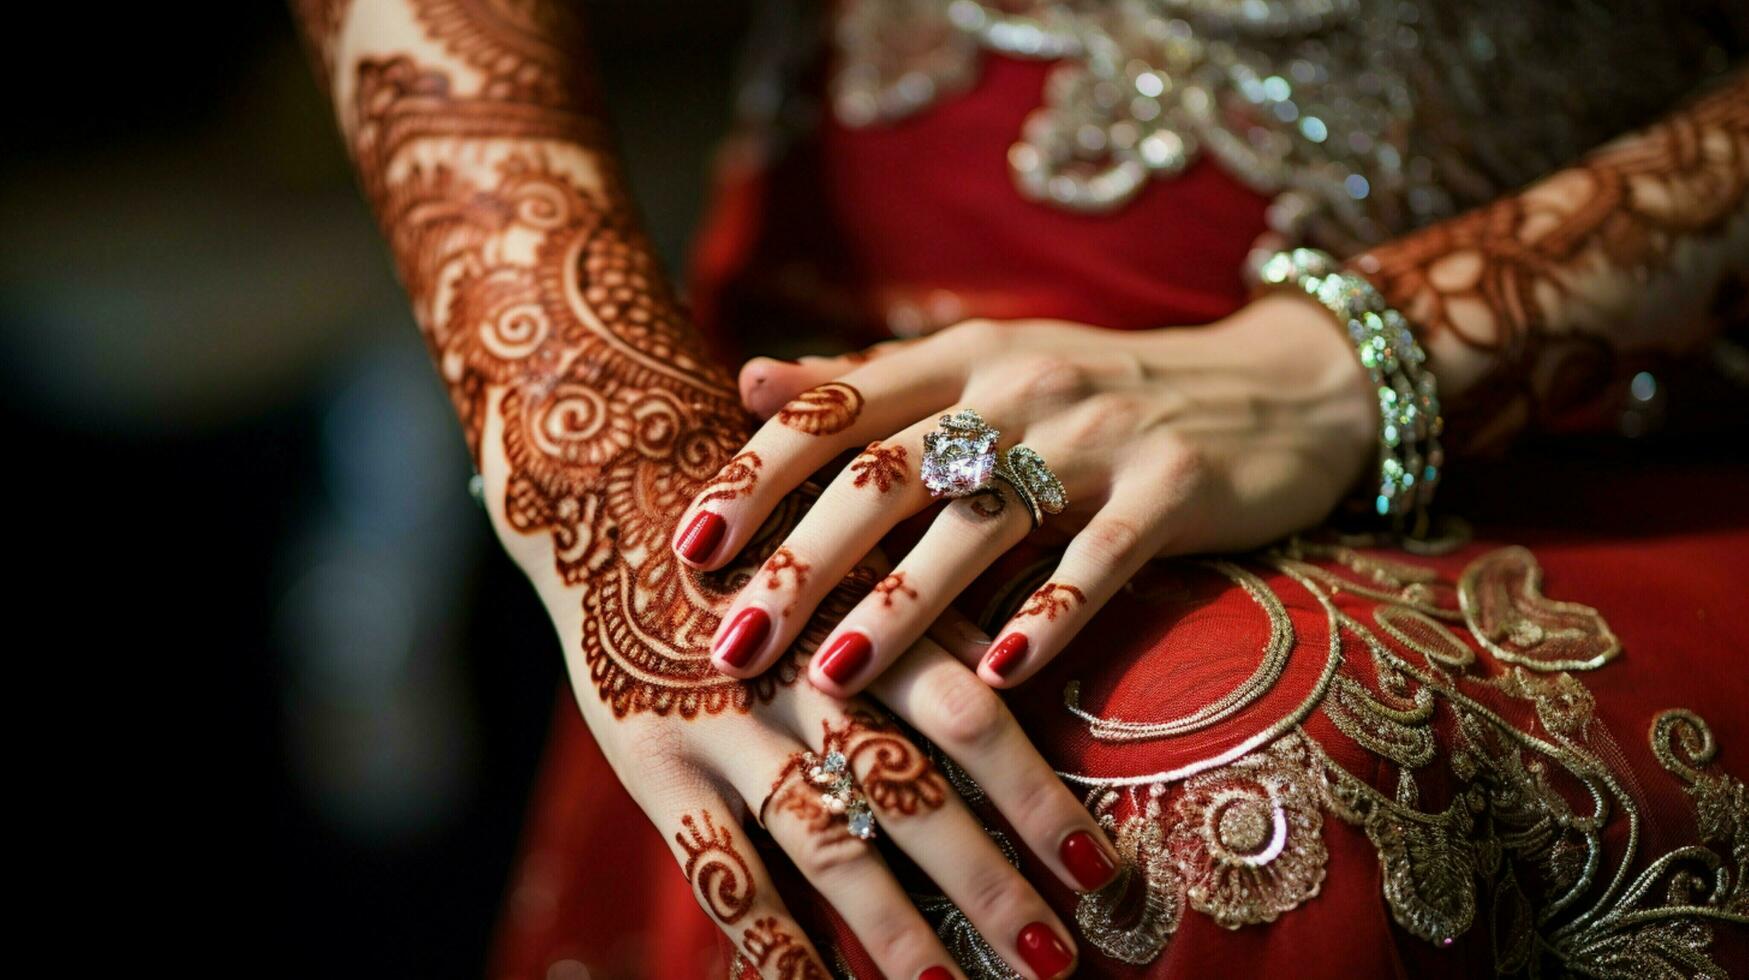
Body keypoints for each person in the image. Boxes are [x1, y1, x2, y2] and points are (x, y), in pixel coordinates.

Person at [293, 1, 1749, 977]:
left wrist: (1363, 358)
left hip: (1639, 351)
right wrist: (599, 441)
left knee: (1208, 794)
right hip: (867, 332)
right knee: (876, 728)